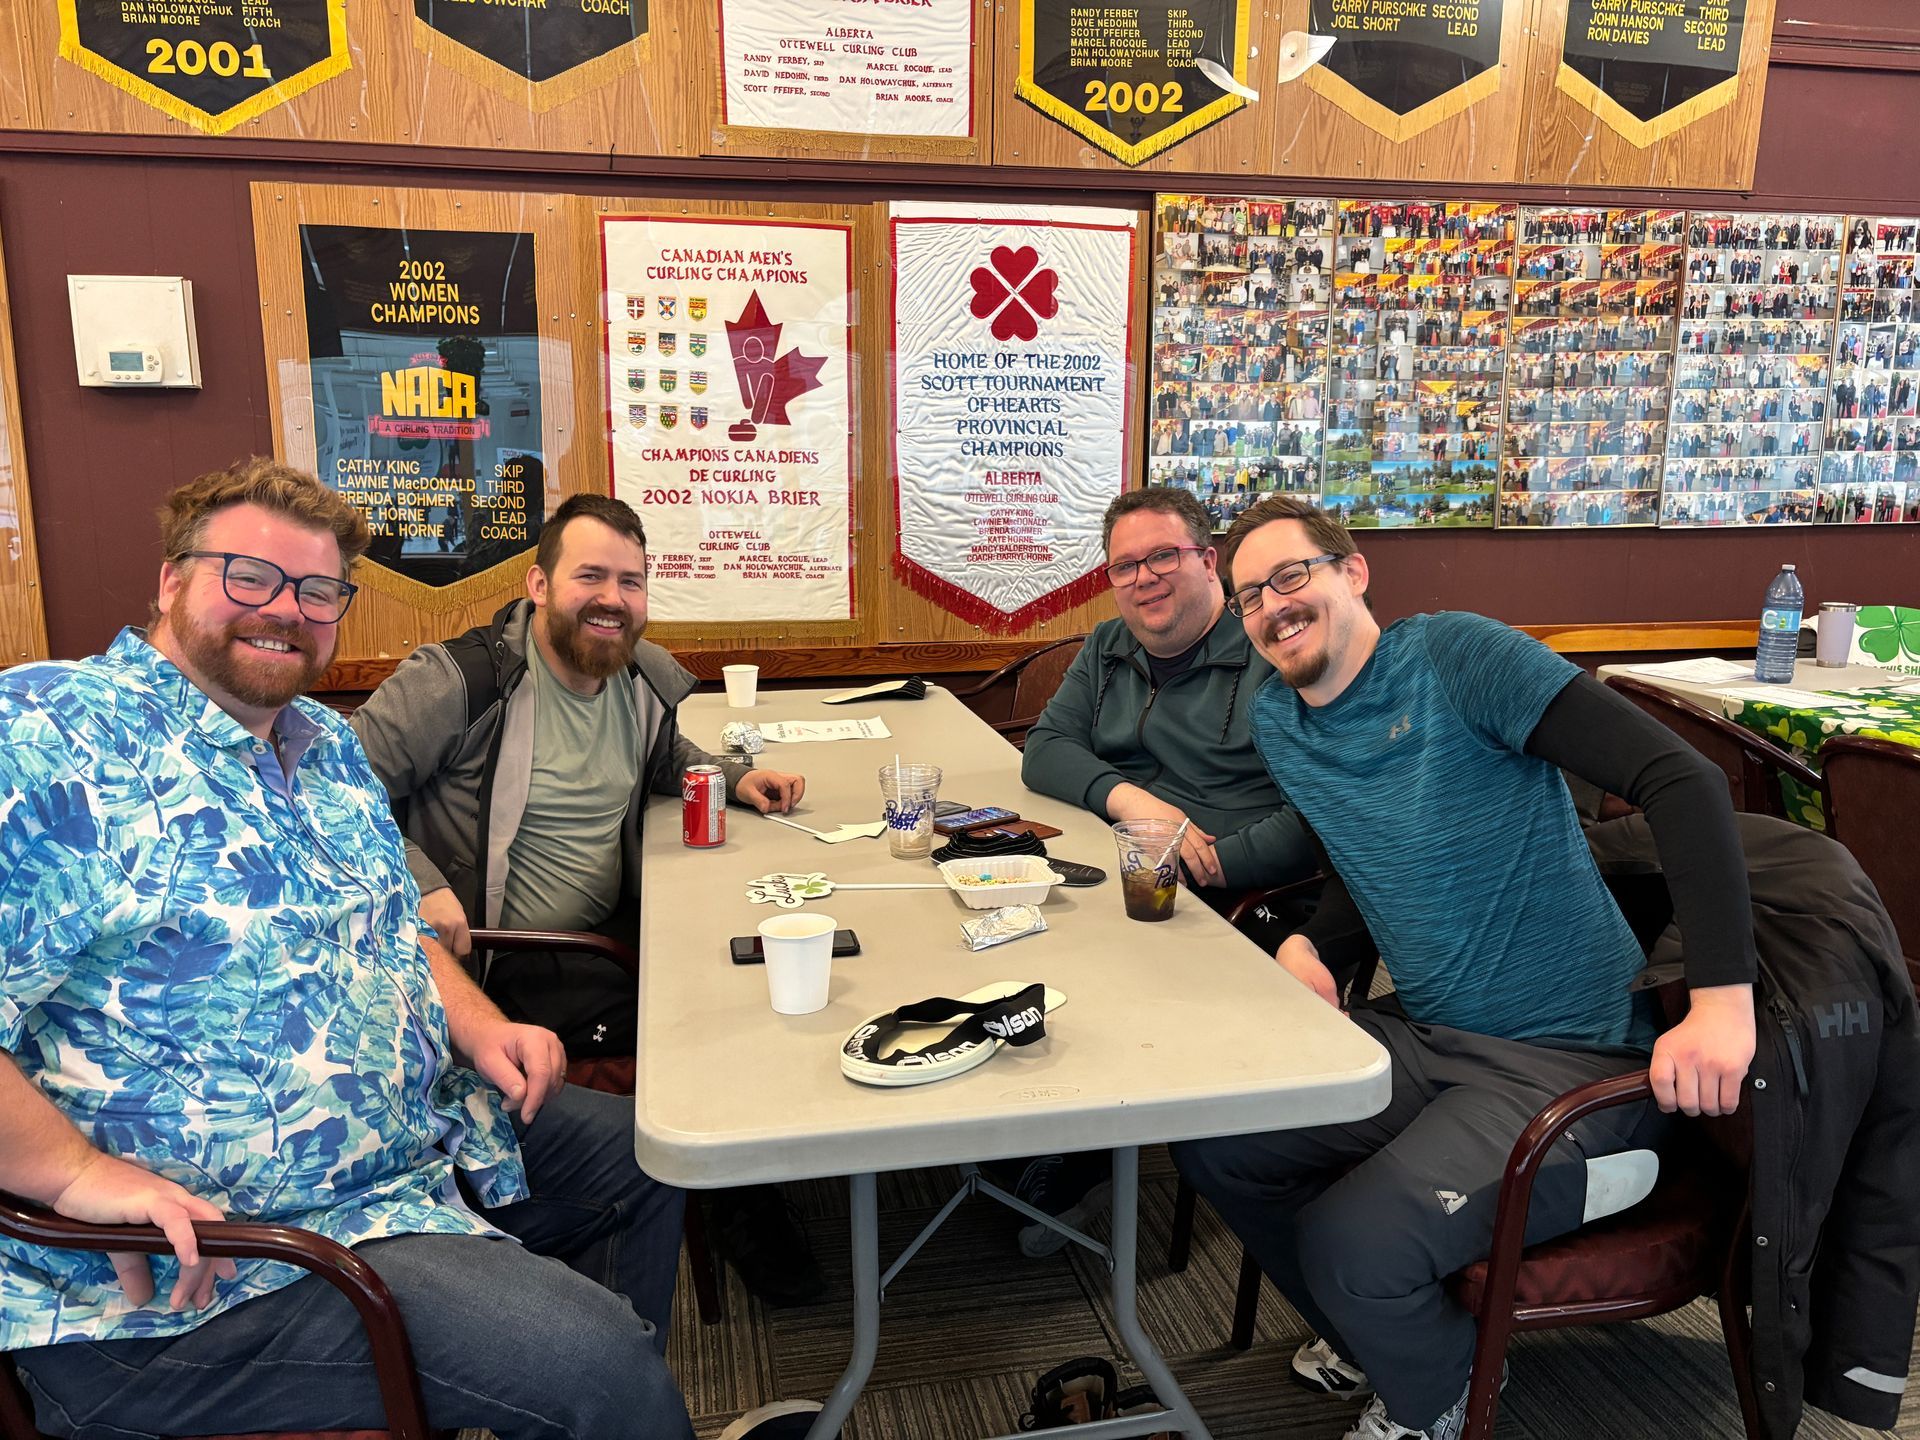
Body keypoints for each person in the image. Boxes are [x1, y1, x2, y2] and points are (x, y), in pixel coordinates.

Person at [0, 460, 705, 1438]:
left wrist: (479, 1022)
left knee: (658, 1157)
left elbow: (390, 924)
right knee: (600, 1365)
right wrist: (76, 1174)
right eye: (249, 576)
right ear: (170, 581)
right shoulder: (43, 734)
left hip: (415, 1153)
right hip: (215, 1269)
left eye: (317, 590)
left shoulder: (323, 747)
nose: (284, 609)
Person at [1171, 495, 1758, 1440]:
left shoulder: (1455, 655)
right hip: (1434, 1036)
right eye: (1248, 596)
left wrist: (1724, 1000)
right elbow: (1362, 851)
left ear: (1353, 572)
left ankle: (1436, 1395)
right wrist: (1312, 945)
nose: (1272, 607)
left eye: (1291, 576)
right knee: (1217, 1141)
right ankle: (1392, 1342)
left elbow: (1682, 780)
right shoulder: (1281, 718)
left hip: (1577, 1061)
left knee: (1351, 1243)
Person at [349, 492, 826, 1308]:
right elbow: (330, 789)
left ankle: (737, 1177)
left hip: (611, 930)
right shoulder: (458, 681)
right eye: (591, 576)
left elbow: (665, 750)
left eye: (631, 582)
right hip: (508, 962)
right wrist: (420, 881)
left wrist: (735, 776)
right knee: (719, 1017)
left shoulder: (637, 676)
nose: (613, 599)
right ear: (538, 585)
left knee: (739, 965)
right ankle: (731, 1202)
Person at [1012, 487, 1316, 1258]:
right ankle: (1030, 1118)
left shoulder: (1271, 652)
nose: (1143, 578)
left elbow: (1313, 820)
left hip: (1237, 888)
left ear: (1209, 561)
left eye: (1162, 557)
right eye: (1125, 566)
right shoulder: (1108, 645)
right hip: (1130, 860)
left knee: (1085, 959)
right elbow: (1045, 750)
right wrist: (1138, 806)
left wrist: (1208, 861)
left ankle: (1081, 1154)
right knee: (1001, 922)